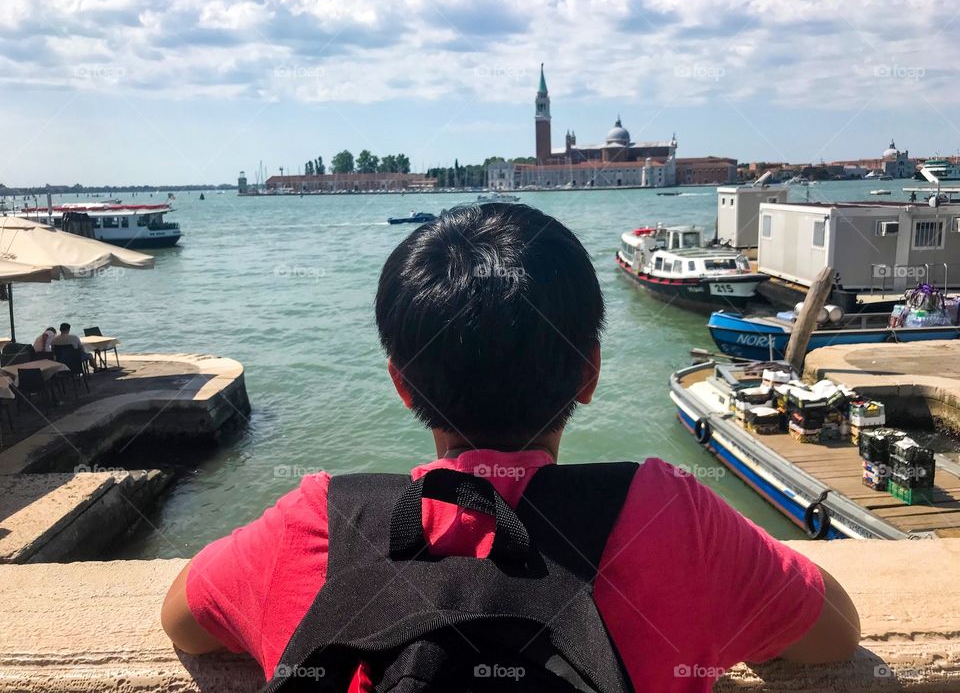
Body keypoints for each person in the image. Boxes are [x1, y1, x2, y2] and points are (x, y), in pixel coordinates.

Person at [161, 204, 860, 691]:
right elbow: (833, 634)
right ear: (588, 374)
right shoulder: (667, 514)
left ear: (402, 385)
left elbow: (182, 622)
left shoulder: (319, 522)